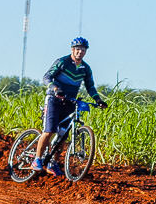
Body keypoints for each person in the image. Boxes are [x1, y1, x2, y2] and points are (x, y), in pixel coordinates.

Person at [34, 37, 107, 176]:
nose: (80, 52)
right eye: (78, 49)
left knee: (62, 135)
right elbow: (47, 77)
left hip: (70, 101)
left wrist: (98, 100)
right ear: (72, 50)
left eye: (83, 50)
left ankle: (52, 163)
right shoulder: (62, 62)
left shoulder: (85, 68)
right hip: (54, 99)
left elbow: (90, 86)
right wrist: (55, 89)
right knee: (49, 131)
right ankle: (37, 159)